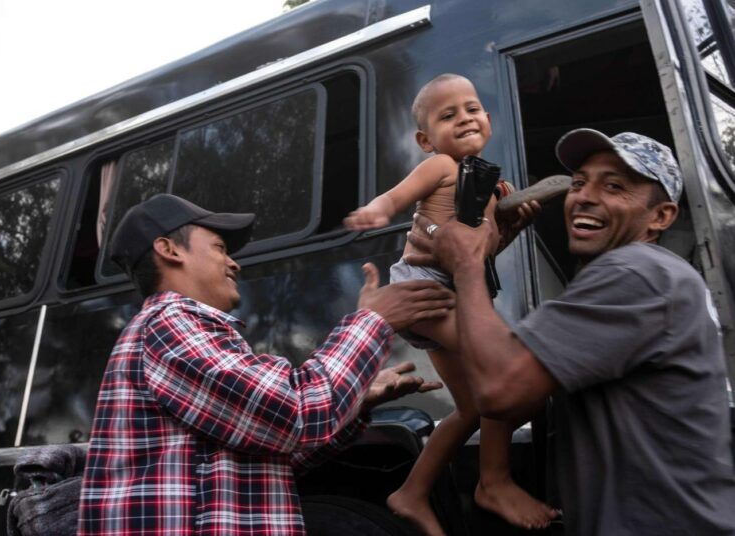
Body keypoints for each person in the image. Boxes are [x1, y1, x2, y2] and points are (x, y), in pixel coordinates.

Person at [408, 129, 735, 535]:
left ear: (661, 217)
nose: (584, 195)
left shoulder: (637, 272)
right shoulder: (655, 276)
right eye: (579, 182)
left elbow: (498, 388)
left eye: (615, 186)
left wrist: (469, 263)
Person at [76, 193, 456, 536]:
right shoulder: (170, 323)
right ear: (169, 250)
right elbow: (298, 412)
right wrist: (373, 320)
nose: (233, 264)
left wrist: (359, 401)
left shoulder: (177, 329)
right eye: (221, 247)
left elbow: (275, 453)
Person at [344, 73, 557, 534]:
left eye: (472, 108)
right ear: (426, 139)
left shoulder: (494, 187)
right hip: (425, 290)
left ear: (487, 119)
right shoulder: (442, 167)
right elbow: (398, 196)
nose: (464, 118)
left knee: (470, 409)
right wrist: (380, 210)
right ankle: (494, 481)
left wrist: (510, 229)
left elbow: (474, 252)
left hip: (452, 293)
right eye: (448, 115)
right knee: (500, 372)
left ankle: (411, 492)